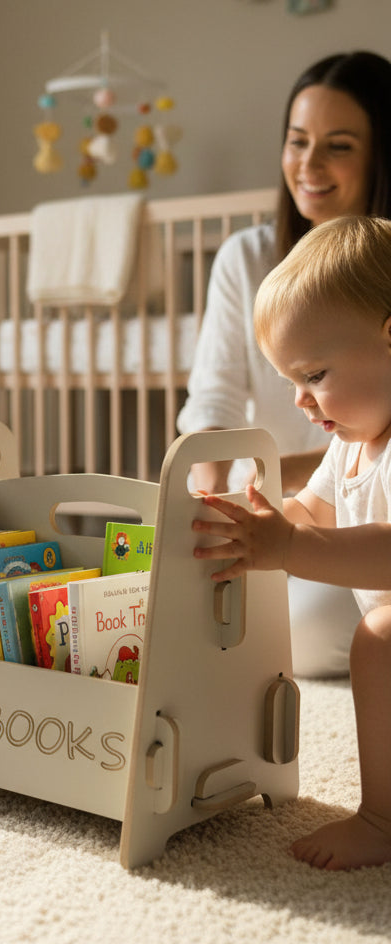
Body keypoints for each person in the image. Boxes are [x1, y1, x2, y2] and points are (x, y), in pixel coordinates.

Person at [177, 50, 391, 678]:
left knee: (304, 627)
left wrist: (284, 521)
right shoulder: (248, 259)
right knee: (219, 601)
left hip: (327, 515)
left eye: (339, 146)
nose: (309, 165)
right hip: (287, 493)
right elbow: (213, 407)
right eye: (297, 142)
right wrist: (208, 502)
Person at [192, 215, 391, 871]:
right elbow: (315, 513)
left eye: (314, 374)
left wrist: (287, 548)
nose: (303, 402)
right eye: (290, 384)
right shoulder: (350, 442)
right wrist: (262, 526)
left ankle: (381, 819)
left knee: (381, 636)